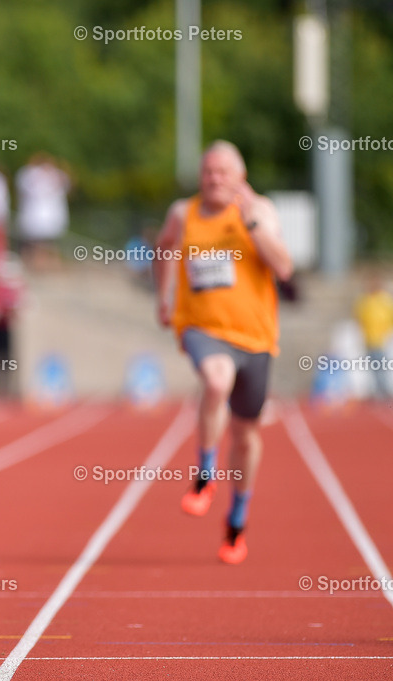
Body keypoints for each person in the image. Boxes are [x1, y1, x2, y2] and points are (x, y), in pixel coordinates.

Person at [154, 140, 293, 565]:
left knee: (247, 436)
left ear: (240, 178)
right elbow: (163, 248)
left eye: (223, 173)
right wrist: (164, 296)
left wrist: (252, 223)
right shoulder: (184, 212)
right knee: (215, 379)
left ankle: (236, 520)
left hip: (255, 338)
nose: (214, 179)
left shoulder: (260, 210)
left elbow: (284, 267)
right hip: (201, 327)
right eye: (208, 172)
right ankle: (205, 475)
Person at [354, 274, 393, 400]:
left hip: (382, 340)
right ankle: (379, 390)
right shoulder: (365, 300)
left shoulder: (384, 300)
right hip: (369, 339)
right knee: (374, 367)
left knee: (380, 366)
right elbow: (360, 317)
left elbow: (388, 318)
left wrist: (385, 333)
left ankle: (383, 390)